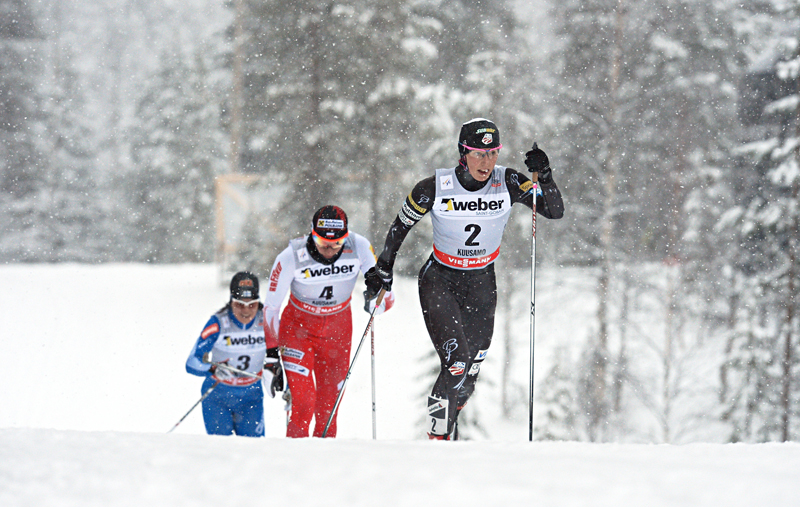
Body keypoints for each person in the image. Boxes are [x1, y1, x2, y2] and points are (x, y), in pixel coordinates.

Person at [364, 118, 565, 440]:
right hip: (440, 280)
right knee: (456, 362)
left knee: (471, 371)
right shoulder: (434, 187)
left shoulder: (510, 181)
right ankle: (438, 438)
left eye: (493, 153)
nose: (486, 162)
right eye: (478, 153)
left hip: (482, 282)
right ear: (463, 152)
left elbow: (553, 211)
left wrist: (547, 176)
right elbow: (400, 227)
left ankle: (450, 422)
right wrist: (383, 268)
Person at [263, 205, 395, 438]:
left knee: (328, 412)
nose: (330, 249)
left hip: (338, 330)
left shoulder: (359, 246)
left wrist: (378, 295)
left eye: (337, 243)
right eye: (323, 242)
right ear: (312, 234)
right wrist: (271, 355)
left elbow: (387, 298)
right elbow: (271, 307)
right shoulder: (291, 256)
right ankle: (294, 464)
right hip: (298, 330)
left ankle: (325, 468)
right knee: (303, 406)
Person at [185, 272, 284, 437]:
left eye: (252, 304)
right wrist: (212, 370)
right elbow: (191, 362)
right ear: (231, 302)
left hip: (251, 396)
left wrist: (288, 386)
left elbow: (288, 356)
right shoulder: (218, 323)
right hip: (218, 397)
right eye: (239, 304)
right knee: (220, 451)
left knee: (253, 451)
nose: (246, 311)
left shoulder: (267, 322)